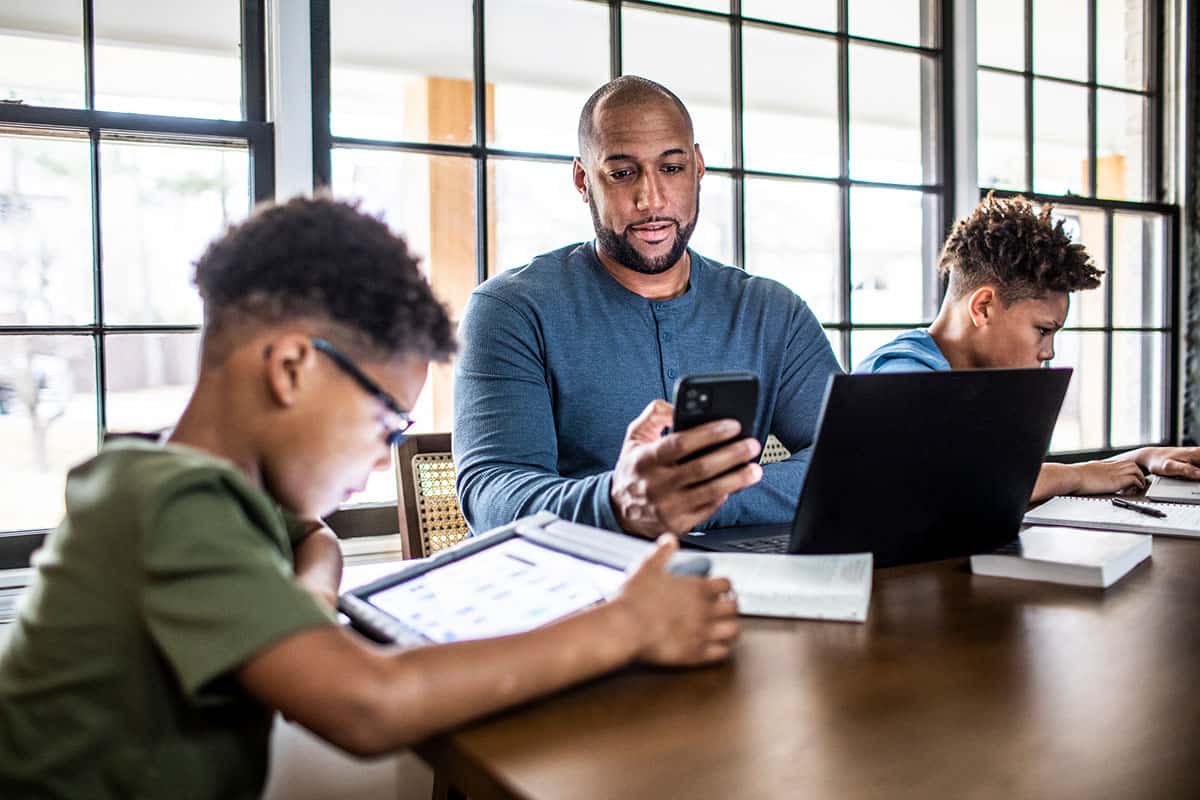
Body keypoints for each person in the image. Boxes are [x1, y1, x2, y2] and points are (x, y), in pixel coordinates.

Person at [0, 197, 740, 799]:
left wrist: (305, 605)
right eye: (387, 420)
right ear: (292, 368)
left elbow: (312, 536)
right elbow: (367, 706)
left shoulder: (185, 483)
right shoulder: (171, 503)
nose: (387, 457)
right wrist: (626, 627)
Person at [454, 76, 841, 538]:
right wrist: (620, 502)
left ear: (698, 166)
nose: (651, 200)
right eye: (622, 173)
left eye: (672, 168)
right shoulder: (510, 312)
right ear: (583, 180)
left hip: (739, 585)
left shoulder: (772, 311)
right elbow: (491, 495)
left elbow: (848, 458)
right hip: (585, 589)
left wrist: (696, 499)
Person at [855, 193, 1200, 500]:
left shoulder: (975, 381)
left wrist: (1137, 459)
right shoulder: (901, 376)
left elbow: (1012, 478)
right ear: (983, 307)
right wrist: (1077, 474)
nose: (1048, 351)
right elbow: (960, 486)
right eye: (1042, 330)